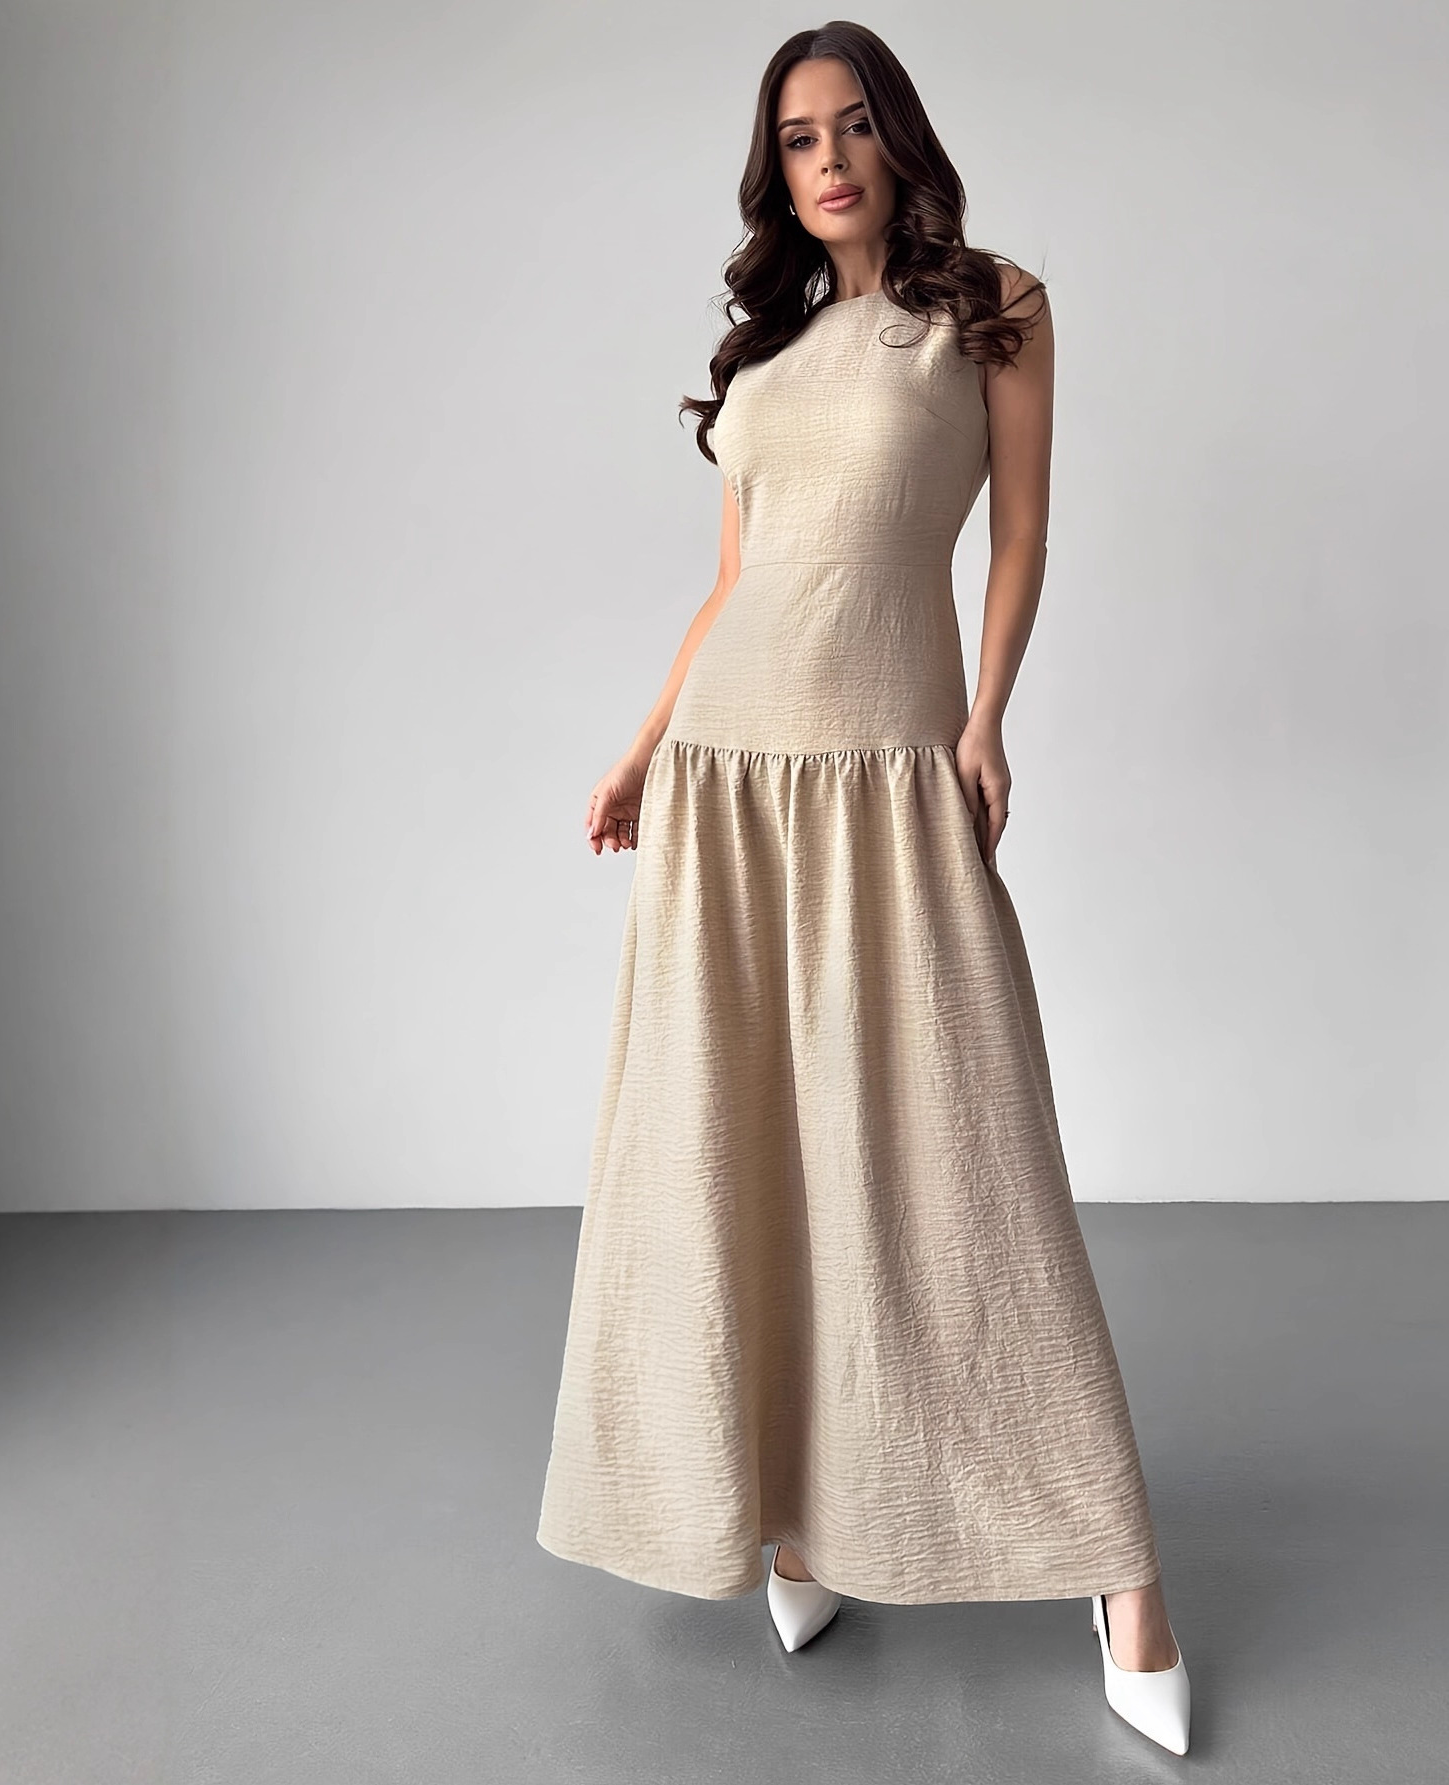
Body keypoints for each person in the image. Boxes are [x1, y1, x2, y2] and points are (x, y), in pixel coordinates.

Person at [536, 21, 1190, 1756]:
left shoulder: (992, 308)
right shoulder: (767, 352)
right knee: (742, 1146)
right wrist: (640, 747)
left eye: (848, 126)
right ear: (775, 168)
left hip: (885, 763)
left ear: (896, 138)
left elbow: (1019, 533)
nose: (824, 159)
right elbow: (734, 585)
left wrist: (985, 720)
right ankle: (801, 1519)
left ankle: (1119, 1568)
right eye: (795, 137)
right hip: (725, 775)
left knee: (962, 1151)